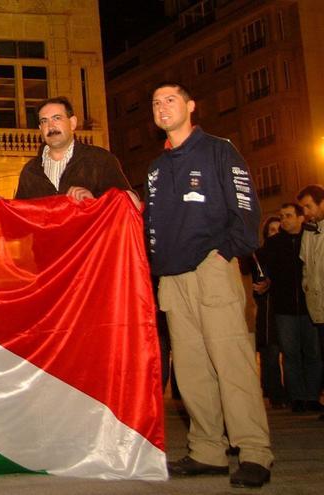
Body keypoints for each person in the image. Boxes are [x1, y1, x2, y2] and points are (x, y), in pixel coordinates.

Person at [144, 82, 272, 488]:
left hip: (211, 270)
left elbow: (246, 206)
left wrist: (226, 252)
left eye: (171, 100)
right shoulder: (156, 169)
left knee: (231, 362)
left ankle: (253, 451)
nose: (163, 108)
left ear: (190, 106)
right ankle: (207, 450)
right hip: (172, 279)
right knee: (192, 370)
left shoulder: (219, 150)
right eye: (156, 103)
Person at [259, 204, 321, 413]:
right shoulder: (275, 243)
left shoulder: (311, 237)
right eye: (282, 216)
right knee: (291, 353)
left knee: (312, 352)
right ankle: (297, 397)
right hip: (284, 308)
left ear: (300, 218)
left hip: (309, 306)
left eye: (288, 216)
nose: (284, 220)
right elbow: (257, 261)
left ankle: (312, 396)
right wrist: (264, 280)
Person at [14, 96, 132, 202]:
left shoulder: (100, 160)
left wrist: (94, 201)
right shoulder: (30, 171)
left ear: (72, 123)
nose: (50, 126)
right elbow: (20, 216)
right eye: (44, 121)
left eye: (57, 118)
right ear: (40, 128)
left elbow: (127, 204)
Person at [251, 216, 288, 409]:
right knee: (270, 351)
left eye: (278, 230)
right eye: (271, 230)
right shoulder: (260, 255)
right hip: (266, 309)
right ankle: (274, 392)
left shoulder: (288, 252)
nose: (275, 233)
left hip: (284, 306)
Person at [297, 184, 324, 418]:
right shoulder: (308, 231)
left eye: (309, 206)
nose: (306, 212)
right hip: (317, 305)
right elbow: (306, 265)